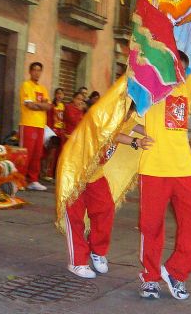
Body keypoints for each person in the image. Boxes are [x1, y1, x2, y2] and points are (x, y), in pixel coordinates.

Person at [136, 52, 191, 300]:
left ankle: (174, 270)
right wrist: (141, 135)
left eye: (183, 68)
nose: (179, 71)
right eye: (176, 66)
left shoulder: (186, 89)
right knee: (152, 226)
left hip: (183, 168)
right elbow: (128, 119)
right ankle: (149, 278)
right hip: (154, 168)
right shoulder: (149, 88)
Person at [66, 119, 154, 279]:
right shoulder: (108, 112)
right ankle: (77, 262)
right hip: (75, 171)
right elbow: (110, 134)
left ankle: (97, 251)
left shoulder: (129, 118)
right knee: (75, 217)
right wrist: (136, 141)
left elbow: (148, 129)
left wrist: (166, 134)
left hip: (96, 173)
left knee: (105, 209)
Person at [19, 62, 52, 191]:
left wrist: (37, 104)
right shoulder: (26, 86)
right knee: (26, 154)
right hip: (27, 124)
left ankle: (33, 180)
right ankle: (20, 179)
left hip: (40, 125)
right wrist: (41, 105)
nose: (37, 73)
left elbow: (49, 106)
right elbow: (29, 105)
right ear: (30, 71)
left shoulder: (43, 89)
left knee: (37, 154)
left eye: (39, 70)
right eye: (35, 70)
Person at [44, 88, 66, 181]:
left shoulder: (64, 106)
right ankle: (47, 173)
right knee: (51, 153)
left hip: (61, 132)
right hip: (53, 131)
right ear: (55, 95)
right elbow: (48, 119)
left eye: (61, 94)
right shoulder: (52, 106)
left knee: (59, 154)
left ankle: (55, 173)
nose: (60, 96)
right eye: (58, 93)